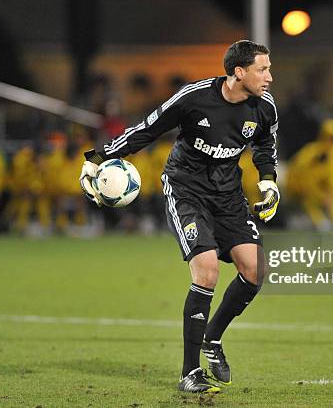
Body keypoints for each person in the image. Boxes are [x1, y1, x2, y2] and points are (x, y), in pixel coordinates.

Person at [80, 40, 279, 393]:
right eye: (262, 69)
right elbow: (149, 128)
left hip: (228, 195)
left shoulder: (264, 107)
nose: (269, 77)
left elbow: (265, 146)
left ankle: (212, 339)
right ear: (238, 72)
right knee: (207, 270)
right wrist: (99, 157)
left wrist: (268, 183)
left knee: (255, 269)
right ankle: (190, 373)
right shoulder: (194, 97)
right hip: (186, 190)